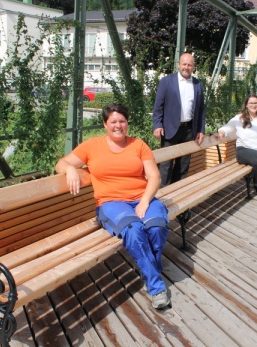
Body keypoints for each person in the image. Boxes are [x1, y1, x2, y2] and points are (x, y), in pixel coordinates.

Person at [55, 104, 171, 309]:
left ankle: (150, 268)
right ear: (105, 124)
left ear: (127, 123)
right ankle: (156, 286)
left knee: (157, 226)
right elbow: (61, 163)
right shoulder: (92, 146)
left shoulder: (139, 145)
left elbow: (154, 176)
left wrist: (144, 201)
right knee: (133, 230)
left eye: (122, 121)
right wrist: (71, 169)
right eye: (113, 122)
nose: (118, 125)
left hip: (142, 198)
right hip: (111, 203)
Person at [153, 52, 206, 187]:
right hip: (169, 129)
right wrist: (157, 125)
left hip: (189, 130)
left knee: (183, 165)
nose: (186, 67)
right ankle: (163, 196)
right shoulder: (166, 81)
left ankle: (178, 193)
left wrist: (200, 130)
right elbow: (158, 106)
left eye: (189, 65)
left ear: (193, 66)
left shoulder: (197, 84)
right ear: (179, 65)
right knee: (166, 165)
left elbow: (201, 109)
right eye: (184, 64)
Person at [215, 94, 257, 199]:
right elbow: (227, 127)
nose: (253, 105)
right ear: (246, 105)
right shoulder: (239, 118)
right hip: (244, 149)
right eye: (251, 103)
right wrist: (221, 133)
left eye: (255, 103)